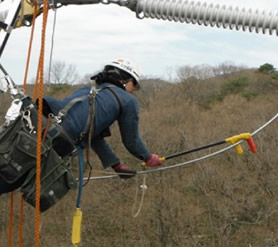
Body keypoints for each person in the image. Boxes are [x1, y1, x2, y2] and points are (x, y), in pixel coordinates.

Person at [0, 58, 162, 194]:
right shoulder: (128, 101)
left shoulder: (88, 91)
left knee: (6, 166)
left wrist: (115, 164)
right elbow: (131, 140)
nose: (133, 91)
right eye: (134, 85)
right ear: (125, 80)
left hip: (36, 128)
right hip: (54, 143)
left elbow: (93, 136)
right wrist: (147, 157)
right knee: (11, 177)